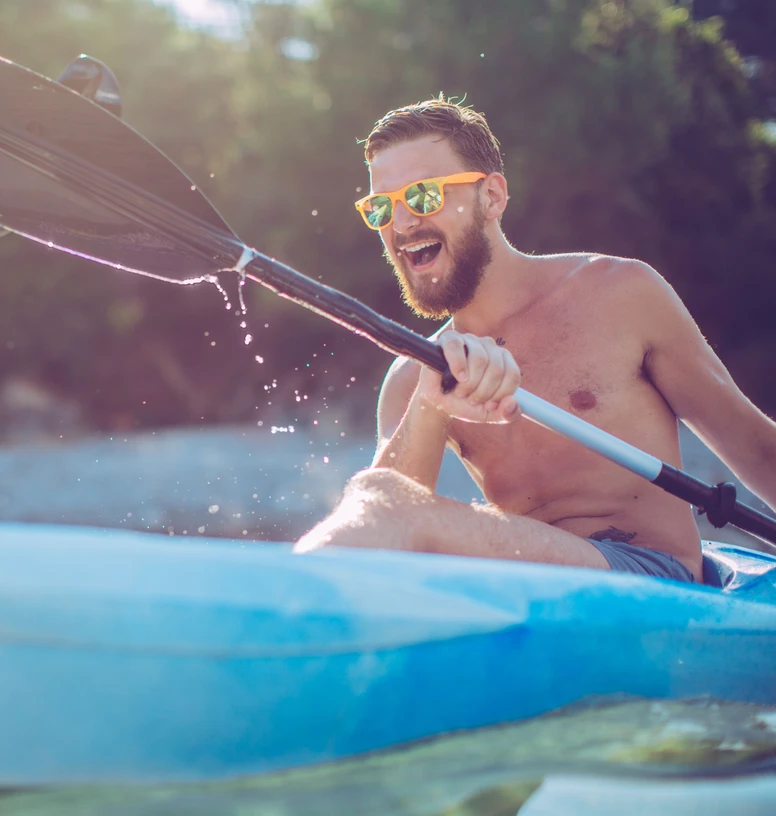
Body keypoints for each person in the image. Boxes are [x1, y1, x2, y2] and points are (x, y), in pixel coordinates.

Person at [295, 99, 776, 582]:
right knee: (382, 499)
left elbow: (755, 448)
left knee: (397, 509)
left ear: (492, 197)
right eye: (381, 207)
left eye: (423, 196)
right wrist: (431, 405)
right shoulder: (414, 375)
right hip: (529, 594)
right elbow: (380, 512)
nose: (400, 225)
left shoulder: (620, 294)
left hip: (656, 581)